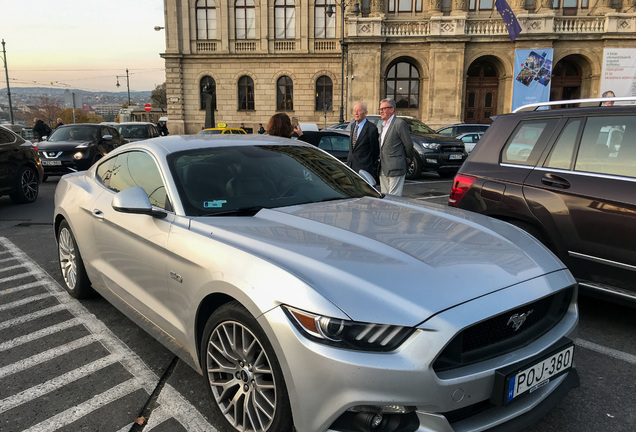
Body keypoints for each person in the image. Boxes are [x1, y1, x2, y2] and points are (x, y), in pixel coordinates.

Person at [377, 98, 414, 196]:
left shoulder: (399, 123)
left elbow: (409, 144)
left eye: (384, 109)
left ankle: (394, 212)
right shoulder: (383, 125)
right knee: (385, 198)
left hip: (396, 167)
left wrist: (409, 158)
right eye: (380, 109)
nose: (381, 111)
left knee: (394, 198)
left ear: (392, 109)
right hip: (383, 168)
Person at [346, 102, 379, 179]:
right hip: (351, 167)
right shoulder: (353, 125)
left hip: (364, 168)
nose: (356, 113)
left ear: (365, 113)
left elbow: (375, 150)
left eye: (359, 111)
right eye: (354, 111)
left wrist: (369, 163)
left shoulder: (371, 128)